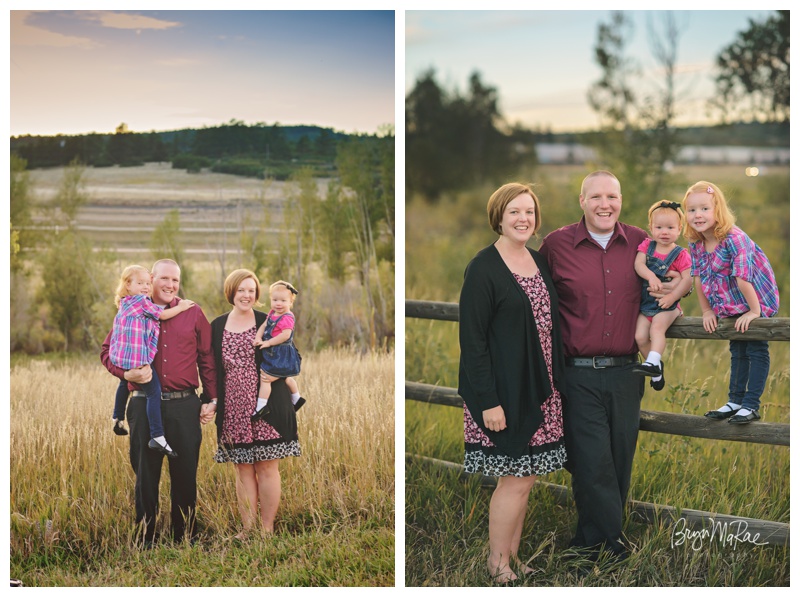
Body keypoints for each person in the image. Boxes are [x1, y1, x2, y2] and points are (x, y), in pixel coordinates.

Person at [539, 170, 651, 562]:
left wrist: (679, 293)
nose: (605, 204)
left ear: (621, 200)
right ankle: (600, 548)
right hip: (579, 372)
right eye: (597, 197)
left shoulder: (641, 241)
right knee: (591, 461)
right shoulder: (556, 245)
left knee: (619, 460)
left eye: (613, 197)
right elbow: (535, 297)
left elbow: (673, 280)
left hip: (626, 372)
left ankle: (596, 541)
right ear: (582, 201)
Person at [459, 182, 568, 583]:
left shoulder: (538, 262)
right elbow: (472, 341)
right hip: (502, 395)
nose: (523, 219)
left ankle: (513, 558)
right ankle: (496, 563)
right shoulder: (484, 267)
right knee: (514, 480)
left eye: (529, 212)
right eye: (515, 212)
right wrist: (488, 401)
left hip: (539, 390)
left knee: (526, 480)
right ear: (499, 218)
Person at [101, 259, 217, 546]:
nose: (170, 285)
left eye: (175, 280)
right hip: (142, 403)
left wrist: (210, 398)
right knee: (145, 477)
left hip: (184, 406)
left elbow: (207, 358)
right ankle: (145, 540)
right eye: (164, 278)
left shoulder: (192, 312)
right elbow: (107, 351)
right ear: (151, 279)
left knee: (185, 475)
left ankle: (185, 538)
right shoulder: (131, 308)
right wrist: (125, 373)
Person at [211, 269, 301, 538]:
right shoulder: (216, 325)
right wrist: (210, 401)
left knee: (266, 466)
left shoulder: (269, 320)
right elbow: (212, 368)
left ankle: (266, 529)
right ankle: (247, 529)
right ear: (231, 292)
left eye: (251, 290)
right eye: (241, 290)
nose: (246, 295)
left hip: (267, 405)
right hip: (234, 407)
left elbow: (292, 355)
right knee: (243, 469)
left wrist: (279, 374)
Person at [683, 181, 779, 424]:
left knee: (755, 347)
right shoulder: (696, 243)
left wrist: (754, 312)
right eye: (692, 210)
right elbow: (698, 278)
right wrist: (706, 311)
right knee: (737, 348)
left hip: (756, 298)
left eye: (704, 209)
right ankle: (735, 401)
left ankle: (751, 405)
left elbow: (743, 277)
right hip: (731, 303)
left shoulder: (734, 238)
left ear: (718, 210)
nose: (698, 215)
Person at [109, 264, 196, 458]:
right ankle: (157, 435)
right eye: (140, 283)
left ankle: (117, 416)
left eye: (147, 283)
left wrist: (124, 373)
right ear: (127, 285)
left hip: (123, 356)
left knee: (124, 383)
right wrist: (181, 307)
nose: (145, 287)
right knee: (153, 392)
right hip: (137, 358)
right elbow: (163, 314)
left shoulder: (124, 303)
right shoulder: (142, 302)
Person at [630, 201, 693, 391]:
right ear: (651, 228)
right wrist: (650, 276)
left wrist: (672, 297)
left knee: (657, 329)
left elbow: (688, 280)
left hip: (669, 307)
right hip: (647, 305)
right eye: (659, 227)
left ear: (679, 229)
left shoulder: (681, 254)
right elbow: (639, 265)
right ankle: (655, 367)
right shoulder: (647, 246)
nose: (664, 232)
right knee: (640, 336)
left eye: (670, 227)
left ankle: (653, 361)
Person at [251, 280, 305, 420]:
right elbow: (263, 326)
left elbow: (285, 335)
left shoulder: (287, 317)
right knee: (286, 377)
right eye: (275, 300)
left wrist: (268, 343)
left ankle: (261, 407)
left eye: (283, 300)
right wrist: (258, 338)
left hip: (281, 353)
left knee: (266, 378)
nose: (278, 303)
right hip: (274, 354)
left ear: (291, 302)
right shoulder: (272, 313)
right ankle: (297, 398)